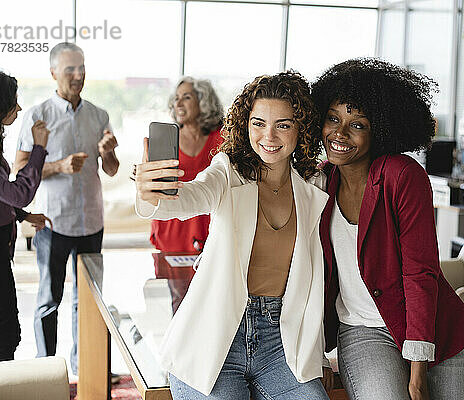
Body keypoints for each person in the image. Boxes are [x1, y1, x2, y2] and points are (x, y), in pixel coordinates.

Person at [135, 71, 330, 399]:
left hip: (280, 343)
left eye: (282, 124)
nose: (268, 135)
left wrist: (319, 351)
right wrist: (150, 193)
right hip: (214, 336)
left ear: (301, 128)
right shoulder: (228, 172)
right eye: (258, 123)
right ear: (245, 124)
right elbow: (190, 196)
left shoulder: (314, 184)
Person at [312, 58, 464, 400]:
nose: (339, 133)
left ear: (381, 130)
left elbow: (420, 271)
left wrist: (417, 372)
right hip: (363, 330)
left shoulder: (402, 176)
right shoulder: (317, 182)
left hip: (433, 328)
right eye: (333, 119)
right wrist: (313, 352)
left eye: (357, 124)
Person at [13, 42, 119, 374]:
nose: (78, 76)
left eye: (82, 68)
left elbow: (112, 169)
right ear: (54, 73)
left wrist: (109, 153)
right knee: (48, 301)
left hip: (91, 222)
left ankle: (85, 368)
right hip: (52, 224)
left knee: (88, 302)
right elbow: (19, 169)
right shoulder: (37, 115)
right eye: (70, 69)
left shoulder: (99, 115)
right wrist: (58, 166)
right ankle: (47, 371)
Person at [0, 68, 51, 363]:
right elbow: (17, 191)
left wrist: (22, 215)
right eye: (13, 101)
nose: (18, 108)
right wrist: (39, 147)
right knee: (6, 332)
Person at [150, 77, 223, 253]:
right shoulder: (165, 139)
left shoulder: (222, 138)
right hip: (173, 226)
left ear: (203, 101)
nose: (179, 103)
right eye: (176, 98)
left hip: (211, 224)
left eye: (187, 97)